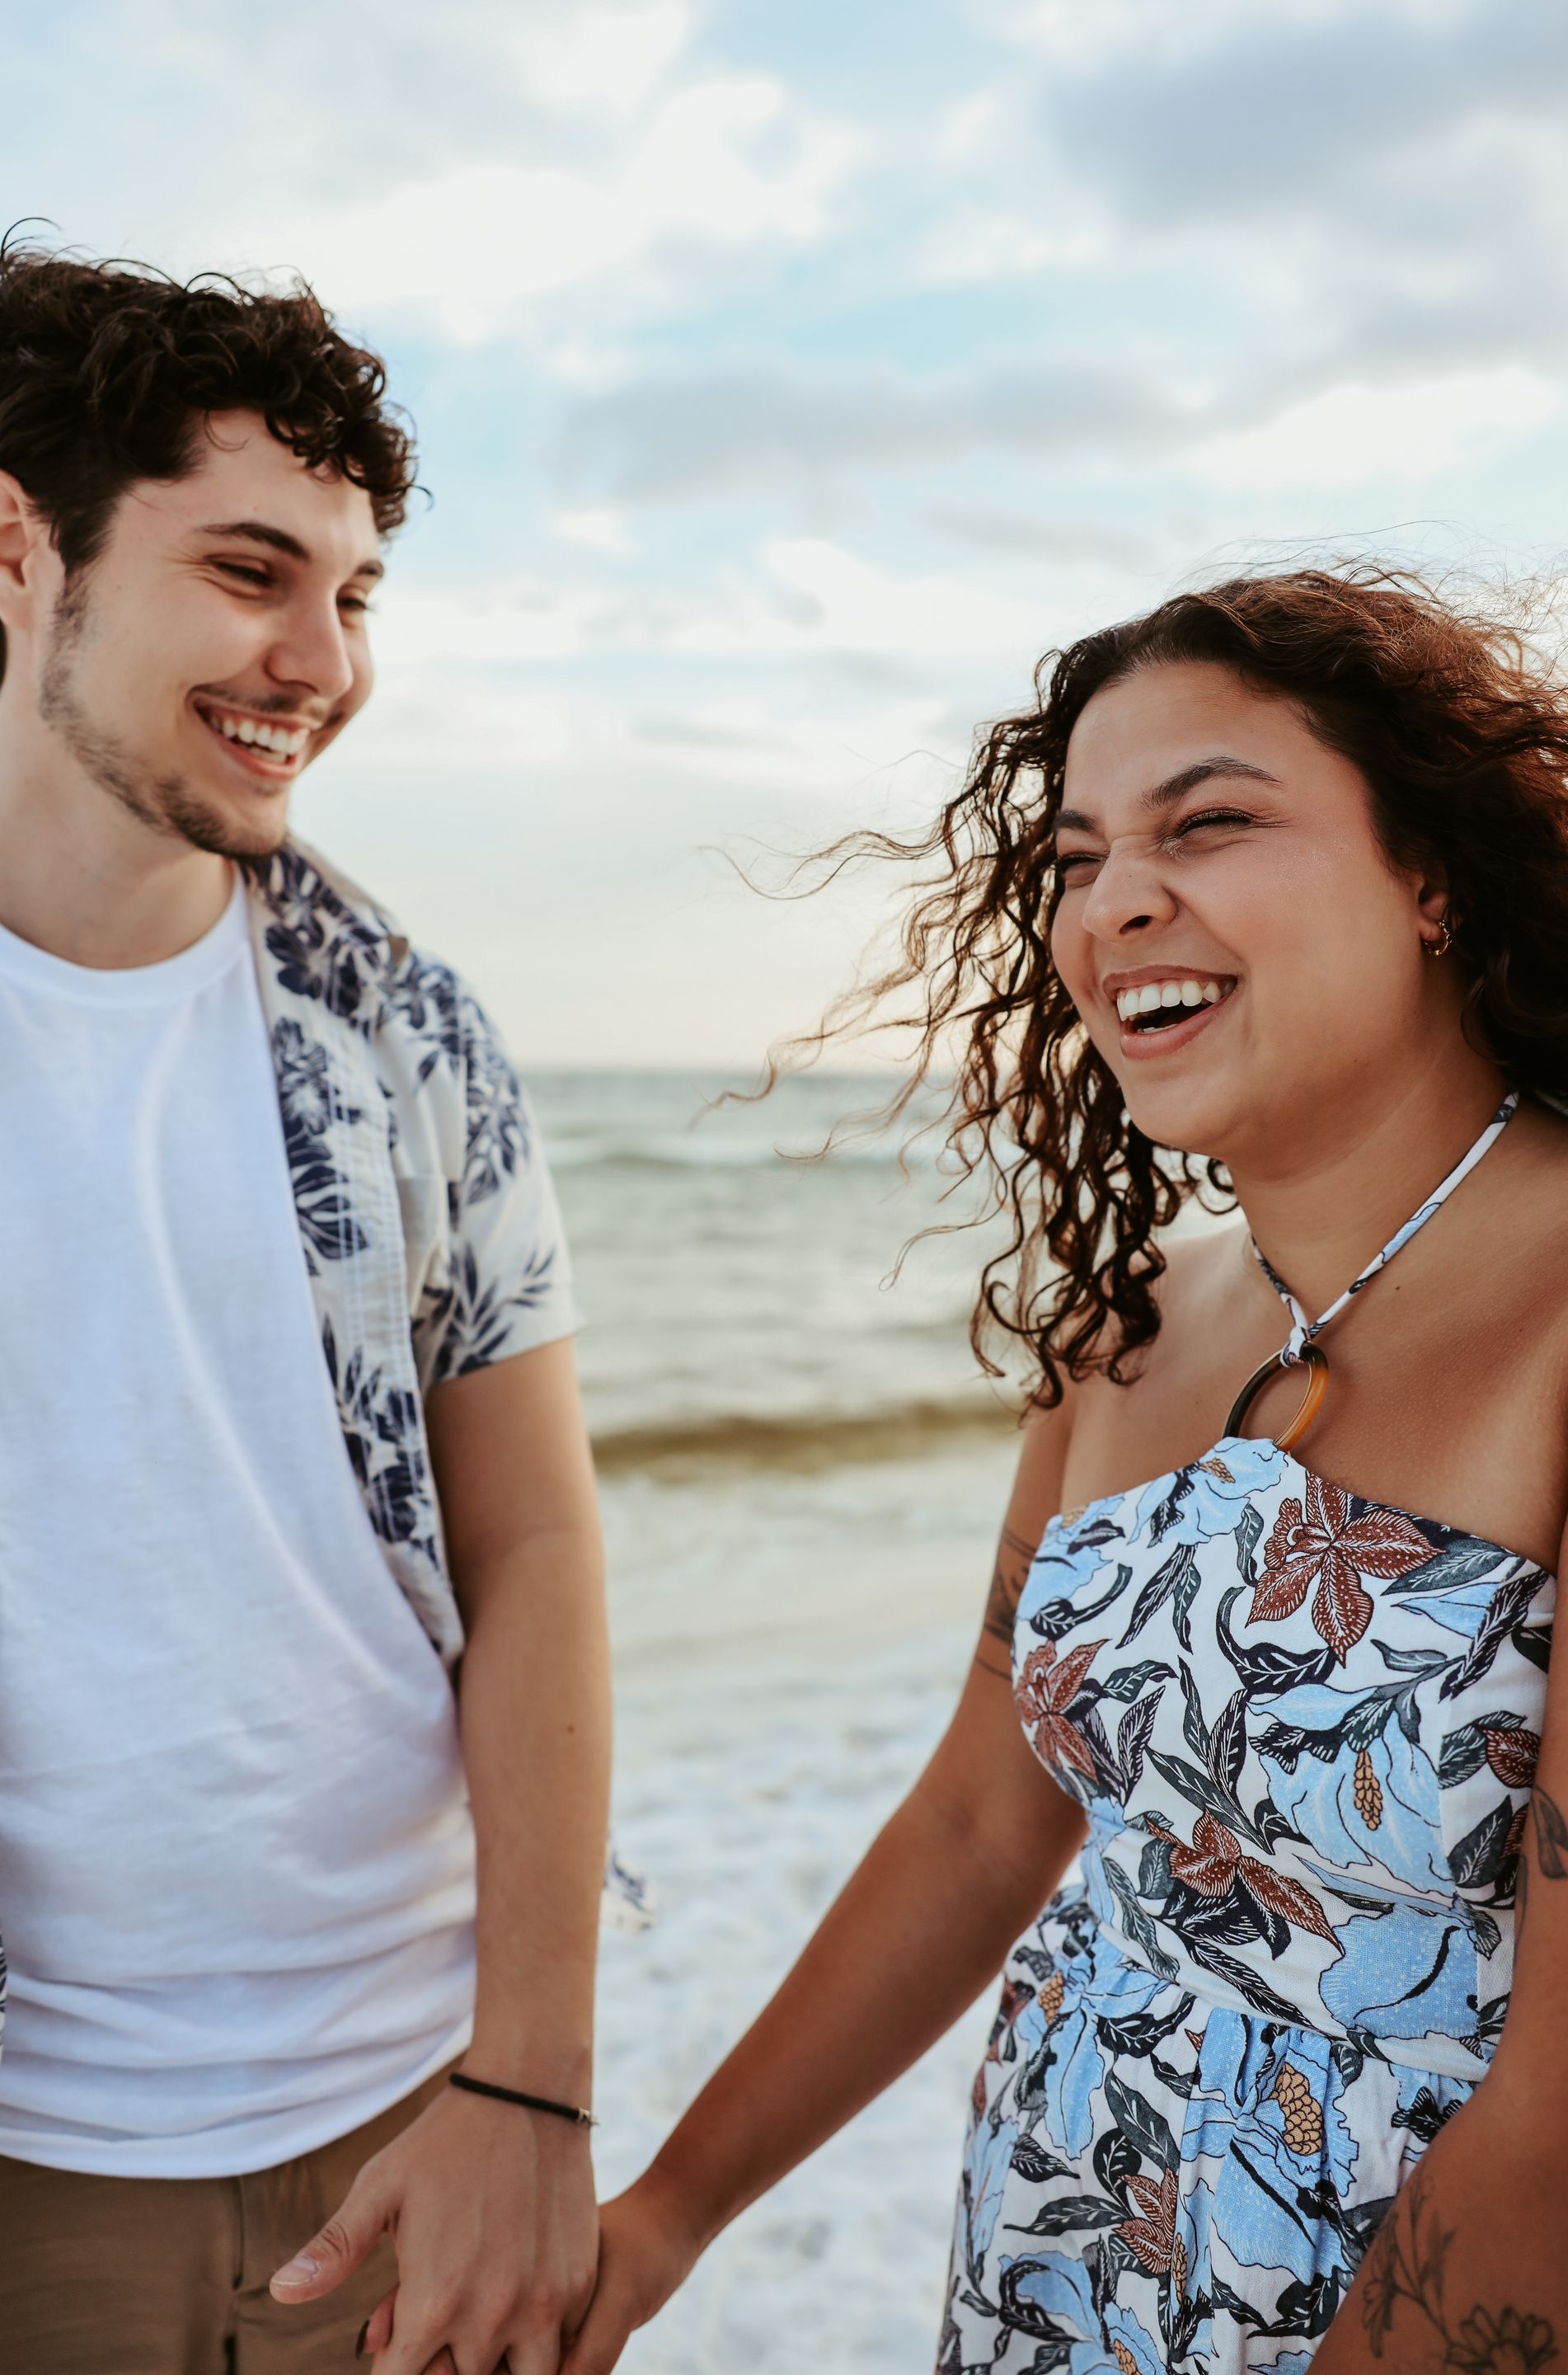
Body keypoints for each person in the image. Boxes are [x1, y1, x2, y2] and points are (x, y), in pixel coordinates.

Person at [557, 569, 1568, 2373]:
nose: (1120, 901)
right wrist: (666, 2215)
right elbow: (978, 1822)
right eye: (1075, 858)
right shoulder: (1126, 1331)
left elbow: (1565, 2129)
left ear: (1431, 876)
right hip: (1057, 2266)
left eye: (1213, 822)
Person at [0, 240, 620, 2374]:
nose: (321, 659)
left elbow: (535, 1541)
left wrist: (534, 2086)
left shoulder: (410, 1044)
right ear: (18, 555)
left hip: (402, 2133)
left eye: (354, 595)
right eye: (253, 571)